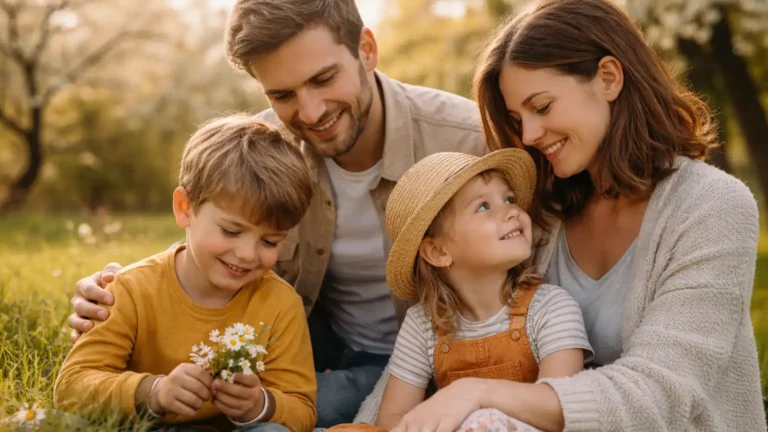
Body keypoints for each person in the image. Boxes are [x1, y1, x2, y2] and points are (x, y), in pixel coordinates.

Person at [65, 0, 486, 427]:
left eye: (324, 79)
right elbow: (210, 233)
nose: (310, 112)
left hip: (428, 355)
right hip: (304, 338)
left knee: (264, 412)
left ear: (366, 49)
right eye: (282, 94)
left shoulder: (467, 142)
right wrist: (115, 293)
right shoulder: (266, 149)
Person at [356, 0, 766, 430]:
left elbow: (658, 394)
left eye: (543, 107)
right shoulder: (541, 214)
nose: (530, 135)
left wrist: (477, 391)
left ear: (608, 78)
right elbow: (445, 326)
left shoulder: (713, 206)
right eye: (518, 118)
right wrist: (365, 426)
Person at [55, 116, 317, 432]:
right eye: (231, 231)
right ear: (184, 208)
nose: (247, 254)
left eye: (270, 240)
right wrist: (153, 392)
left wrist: (258, 404)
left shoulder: (280, 304)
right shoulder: (132, 289)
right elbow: (72, 386)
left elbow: (302, 409)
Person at [375, 150, 594, 429]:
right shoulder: (423, 325)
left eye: (509, 199)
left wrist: (477, 402)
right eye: (483, 207)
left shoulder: (550, 308)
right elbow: (392, 419)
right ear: (438, 251)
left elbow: (562, 408)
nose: (512, 211)